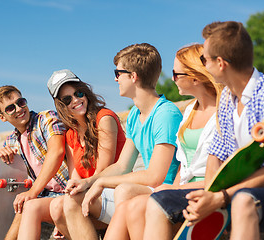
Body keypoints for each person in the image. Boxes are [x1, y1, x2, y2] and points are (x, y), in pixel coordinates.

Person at [144, 21, 264, 240]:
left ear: (221, 63)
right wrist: (208, 195)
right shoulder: (227, 97)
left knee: (244, 200)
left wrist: (219, 198)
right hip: (229, 193)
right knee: (159, 202)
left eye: (204, 59)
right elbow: (216, 154)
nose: (203, 66)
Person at [49, 43, 183, 240]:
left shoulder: (165, 113)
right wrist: (89, 182)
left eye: (118, 73)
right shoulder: (136, 115)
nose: (115, 78)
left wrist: (102, 181)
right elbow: (122, 165)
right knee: (70, 201)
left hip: (164, 192)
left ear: (133, 76)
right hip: (147, 189)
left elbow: (155, 176)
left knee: (124, 190)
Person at [104, 43, 224, 240]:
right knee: (130, 205)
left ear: (194, 77)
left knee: (132, 201)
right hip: (181, 188)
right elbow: (182, 165)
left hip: (204, 190)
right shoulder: (190, 112)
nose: (172, 79)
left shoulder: (220, 112)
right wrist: (93, 183)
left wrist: (173, 188)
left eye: (177, 74)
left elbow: (215, 175)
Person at [17, 69, 126, 239]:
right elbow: (74, 177)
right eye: (67, 99)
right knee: (46, 207)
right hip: (87, 195)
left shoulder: (104, 118)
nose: (76, 100)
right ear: (61, 105)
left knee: (65, 205)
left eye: (79, 93)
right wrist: (63, 215)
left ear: (86, 92)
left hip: (110, 191)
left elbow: (103, 172)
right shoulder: (70, 133)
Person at [0, 85, 68, 239]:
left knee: (25, 203)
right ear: (3, 117)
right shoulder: (11, 141)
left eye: (21, 102)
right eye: (11, 108)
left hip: (63, 194)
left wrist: (32, 193)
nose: (19, 109)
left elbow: (57, 152)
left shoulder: (45, 119)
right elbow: (0, 186)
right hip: (41, 195)